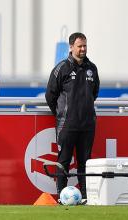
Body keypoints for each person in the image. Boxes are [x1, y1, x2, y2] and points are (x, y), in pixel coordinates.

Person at [45, 32, 100, 204]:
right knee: (64, 161)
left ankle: (85, 196)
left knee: (85, 162)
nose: (83, 49)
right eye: (79, 46)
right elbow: (50, 96)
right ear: (71, 47)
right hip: (67, 124)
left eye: (84, 46)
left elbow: (94, 93)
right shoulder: (61, 68)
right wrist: (62, 114)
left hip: (87, 124)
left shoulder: (92, 68)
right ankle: (62, 197)